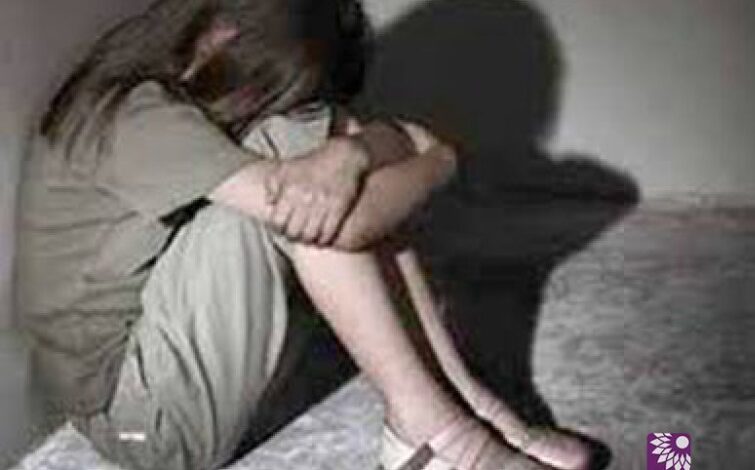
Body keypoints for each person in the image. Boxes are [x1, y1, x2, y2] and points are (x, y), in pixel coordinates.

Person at [16, 0, 592, 469]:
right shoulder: (134, 117)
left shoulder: (157, 81)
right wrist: (440, 159)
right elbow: (347, 223)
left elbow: (358, 141)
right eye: (272, 86)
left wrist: (354, 150)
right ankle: (434, 430)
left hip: (151, 367)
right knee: (300, 174)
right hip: (142, 425)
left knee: (316, 161)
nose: (270, 102)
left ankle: (468, 407)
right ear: (225, 35)